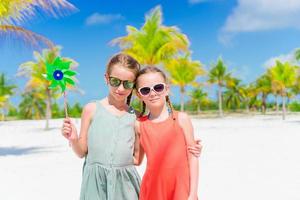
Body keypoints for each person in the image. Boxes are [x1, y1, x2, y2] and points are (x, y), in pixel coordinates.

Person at [135, 66, 201, 200]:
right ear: (139, 95)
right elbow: (136, 159)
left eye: (158, 87)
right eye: (145, 90)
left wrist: (193, 193)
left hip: (182, 189)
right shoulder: (139, 124)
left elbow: (192, 157)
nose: (152, 93)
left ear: (167, 89)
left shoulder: (182, 119)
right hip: (152, 190)